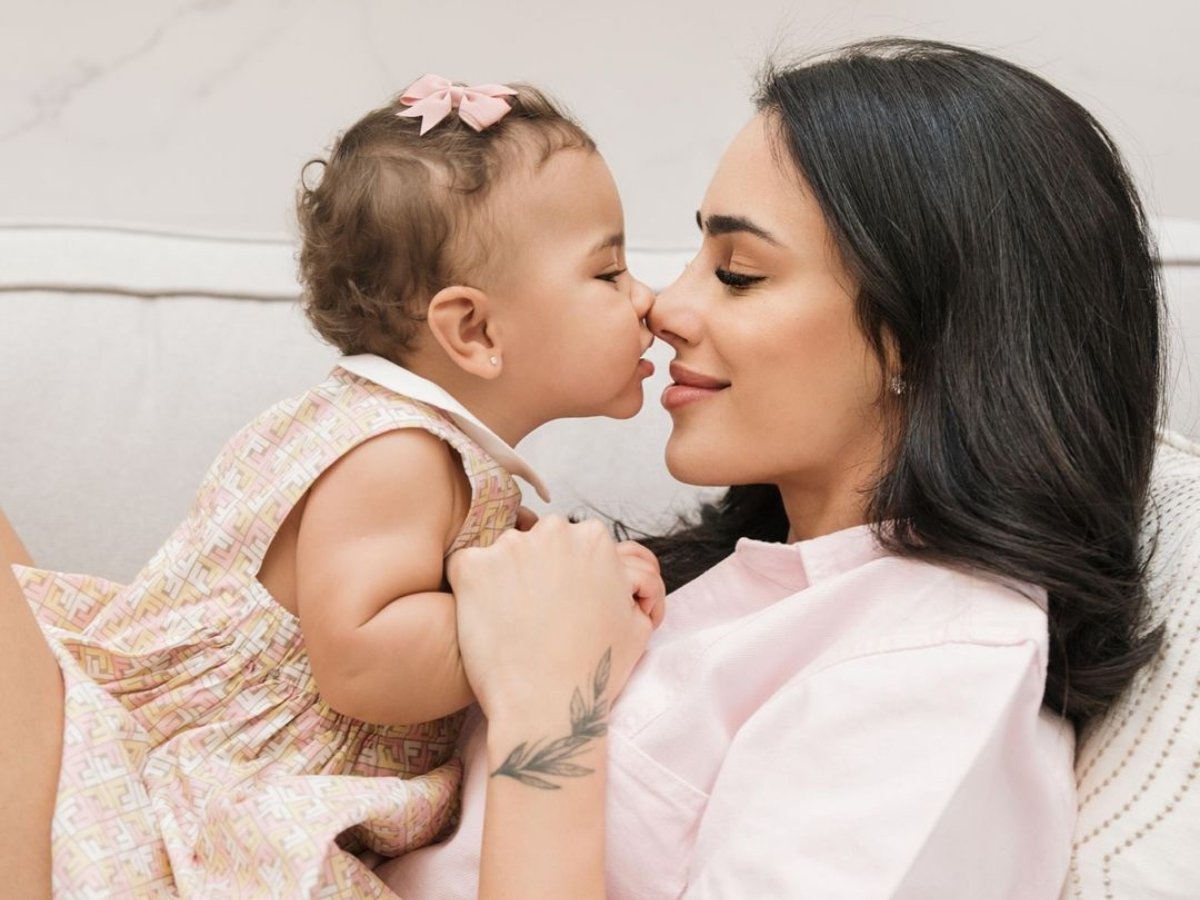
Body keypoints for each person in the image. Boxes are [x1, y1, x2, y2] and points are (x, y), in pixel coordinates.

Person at [377, 38, 1165, 899]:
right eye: (697, 259)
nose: (666, 309)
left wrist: (548, 711)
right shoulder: (735, 577)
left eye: (740, 273)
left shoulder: (935, 676)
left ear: (921, 335)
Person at [0, 76, 665, 898]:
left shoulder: (432, 452)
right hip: (221, 785)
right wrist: (562, 611)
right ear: (475, 330)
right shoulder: (398, 454)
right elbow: (362, 659)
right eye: (609, 273)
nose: (647, 301)